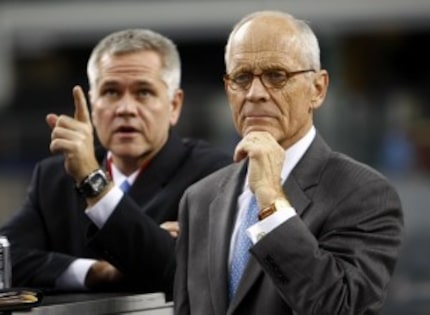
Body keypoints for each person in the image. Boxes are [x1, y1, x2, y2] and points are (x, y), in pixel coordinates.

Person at [174, 10, 404, 314]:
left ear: (318, 89)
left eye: (276, 76)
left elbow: (340, 307)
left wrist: (271, 203)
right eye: (241, 78)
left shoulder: (365, 193)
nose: (255, 94)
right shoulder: (199, 198)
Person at [0, 29, 231, 298]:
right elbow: (6, 259)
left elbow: (177, 270)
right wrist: (96, 272)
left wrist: (92, 181)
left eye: (143, 92)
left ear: (174, 105)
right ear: (92, 103)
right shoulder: (53, 177)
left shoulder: (212, 175)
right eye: (111, 92)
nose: (125, 108)